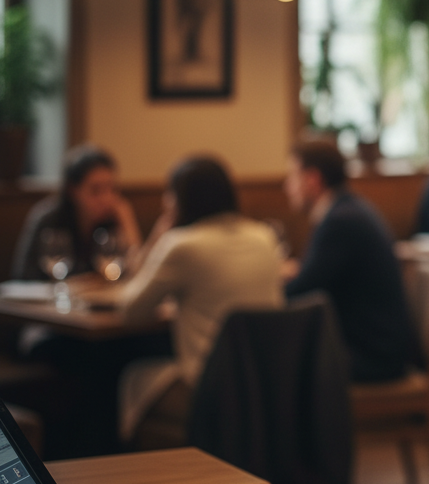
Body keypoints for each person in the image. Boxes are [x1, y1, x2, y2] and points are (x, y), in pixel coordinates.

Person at [117, 157, 284, 444]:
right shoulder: (264, 236)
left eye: (169, 196)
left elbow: (130, 310)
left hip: (210, 386)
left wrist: (160, 234)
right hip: (266, 380)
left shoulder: (183, 245)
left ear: (180, 200)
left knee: (129, 376)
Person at [284, 139, 422, 381]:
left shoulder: (339, 222)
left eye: (292, 177)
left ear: (313, 179)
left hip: (374, 357)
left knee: (279, 363)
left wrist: (261, 287)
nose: (287, 187)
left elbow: (302, 291)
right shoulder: (347, 209)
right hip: (380, 347)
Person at [12, 144, 141, 281]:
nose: (107, 198)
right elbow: (23, 276)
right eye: (96, 190)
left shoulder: (113, 220)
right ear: (73, 190)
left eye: (111, 188)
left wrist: (128, 224)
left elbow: (137, 274)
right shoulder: (49, 219)